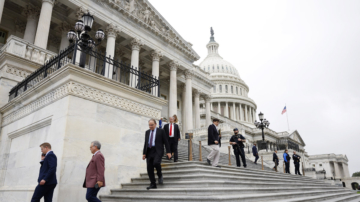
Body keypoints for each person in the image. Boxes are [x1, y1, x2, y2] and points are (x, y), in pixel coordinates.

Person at [143, 119, 171, 189]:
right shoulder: (147, 132)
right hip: (149, 151)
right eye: (149, 125)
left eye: (152, 125)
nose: (150, 126)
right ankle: (153, 184)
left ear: (155, 124)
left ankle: (160, 174)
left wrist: (168, 152)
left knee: (156, 163)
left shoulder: (161, 131)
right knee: (149, 168)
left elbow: (166, 142)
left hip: (157, 150)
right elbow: (146, 143)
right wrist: (144, 153)